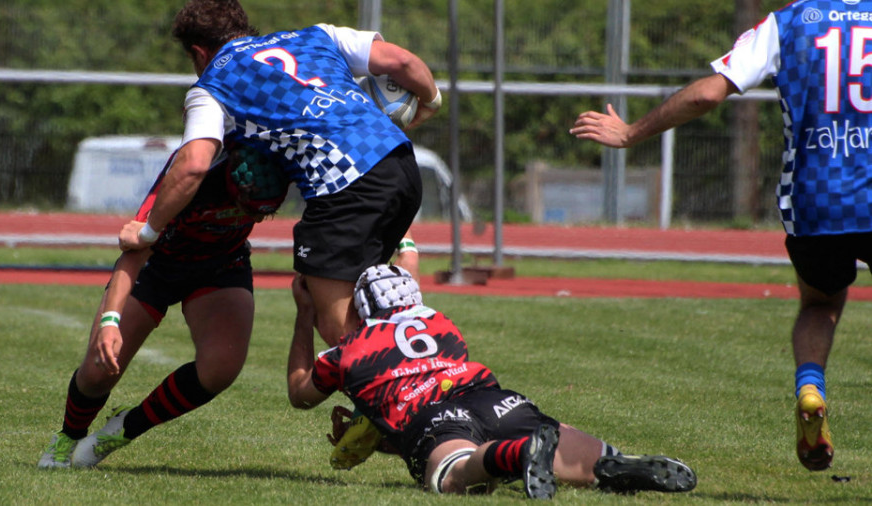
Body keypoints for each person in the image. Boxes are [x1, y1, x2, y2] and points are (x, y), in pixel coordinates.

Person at [569, 1, 872, 472]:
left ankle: (811, 387)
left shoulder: (790, 21)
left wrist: (631, 133)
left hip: (816, 199)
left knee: (821, 303)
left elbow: (706, 95)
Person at [118, 0, 441, 348]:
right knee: (382, 301)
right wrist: (431, 101)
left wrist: (149, 231)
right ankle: (409, 381)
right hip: (401, 163)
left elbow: (193, 165)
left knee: (338, 330)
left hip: (341, 186)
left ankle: (405, 392)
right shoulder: (318, 35)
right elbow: (401, 61)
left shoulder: (212, 84)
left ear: (198, 53)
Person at [286, 264, 697, 498]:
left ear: (361, 312)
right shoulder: (442, 324)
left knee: (452, 474)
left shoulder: (348, 350)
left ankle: (517, 453)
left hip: (434, 416)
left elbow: (301, 394)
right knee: (569, 452)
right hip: (494, 398)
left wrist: (305, 312)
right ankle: (608, 462)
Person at [37, 144, 289, 468]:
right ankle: (68, 437)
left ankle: (125, 428)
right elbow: (135, 252)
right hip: (155, 266)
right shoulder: (188, 181)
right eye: (250, 207)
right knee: (99, 369)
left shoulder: (279, 157)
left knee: (220, 368)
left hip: (221, 264)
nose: (255, 217)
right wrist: (110, 321)